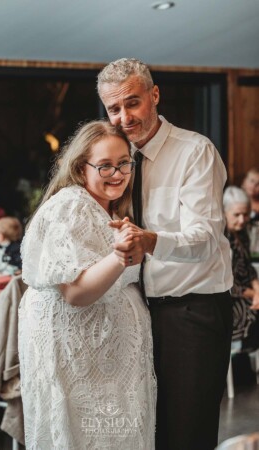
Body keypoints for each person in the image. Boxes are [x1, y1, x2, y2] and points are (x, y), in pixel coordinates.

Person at [97, 58, 233, 450]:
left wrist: (150, 241)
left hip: (194, 313)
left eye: (133, 103)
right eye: (114, 108)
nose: (124, 117)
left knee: (188, 434)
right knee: (149, 432)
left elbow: (205, 238)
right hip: (139, 314)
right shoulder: (117, 161)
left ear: (155, 95)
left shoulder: (195, 152)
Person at [18, 120, 156, 449]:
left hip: (102, 369)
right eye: (105, 165)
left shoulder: (103, 207)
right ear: (82, 168)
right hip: (82, 370)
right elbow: (76, 293)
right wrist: (119, 256)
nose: (118, 173)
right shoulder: (71, 207)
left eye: (124, 162)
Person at [223, 186, 259, 346]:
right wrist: (254, 295)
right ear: (224, 212)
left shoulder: (242, 233)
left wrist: (257, 289)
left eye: (245, 214)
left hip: (247, 295)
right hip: (230, 300)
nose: (242, 220)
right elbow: (229, 285)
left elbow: (248, 267)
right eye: (236, 215)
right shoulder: (222, 240)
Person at [241, 168, 259, 255]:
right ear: (244, 181)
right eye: (252, 181)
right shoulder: (234, 202)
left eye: (258, 184)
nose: (254, 186)